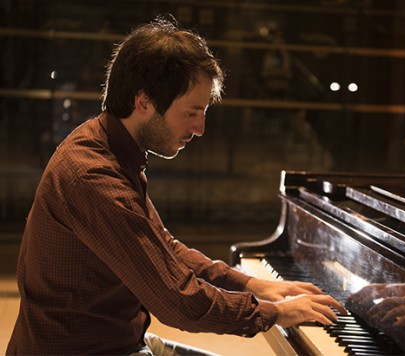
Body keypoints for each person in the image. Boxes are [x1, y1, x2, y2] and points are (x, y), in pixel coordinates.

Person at [7, 16, 345, 355]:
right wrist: (274, 313)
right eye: (191, 112)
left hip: (117, 341)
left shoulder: (112, 147)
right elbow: (179, 302)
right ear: (144, 102)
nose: (200, 128)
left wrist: (253, 285)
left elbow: (162, 248)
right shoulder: (94, 177)